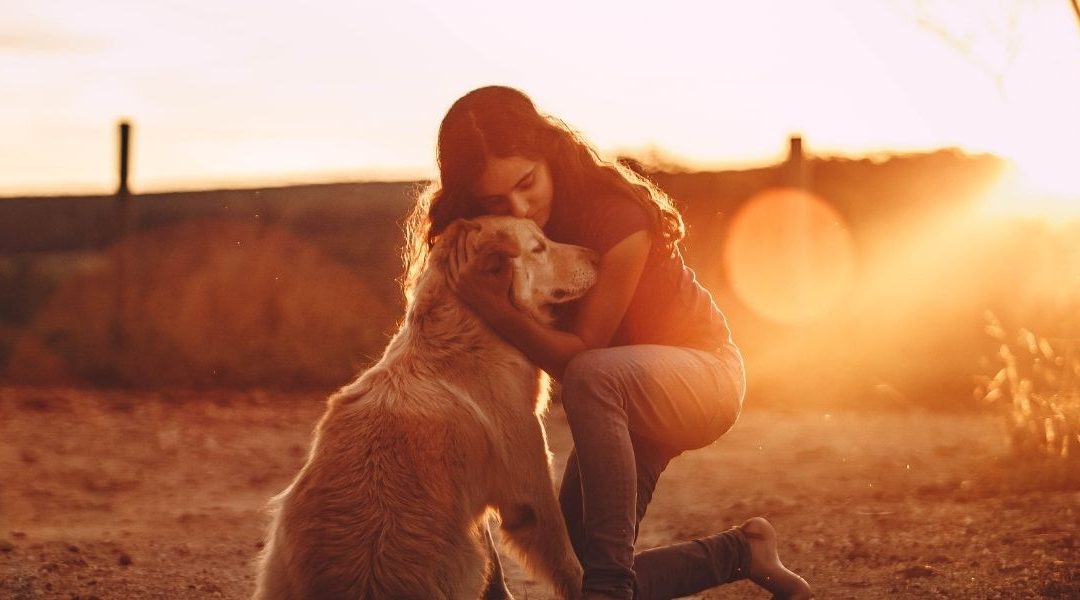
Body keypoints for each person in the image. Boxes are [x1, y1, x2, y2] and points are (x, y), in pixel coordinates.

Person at [403, 85, 812, 600]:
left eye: (527, 183)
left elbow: (584, 353)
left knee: (593, 376)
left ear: (548, 152)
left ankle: (610, 592)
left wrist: (492, 308)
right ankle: (742, 552)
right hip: (617, 401)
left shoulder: (616, 216)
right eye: (495, 201)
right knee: (578, 568)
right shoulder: (491, 237)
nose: (520, 208)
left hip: (702, 378)